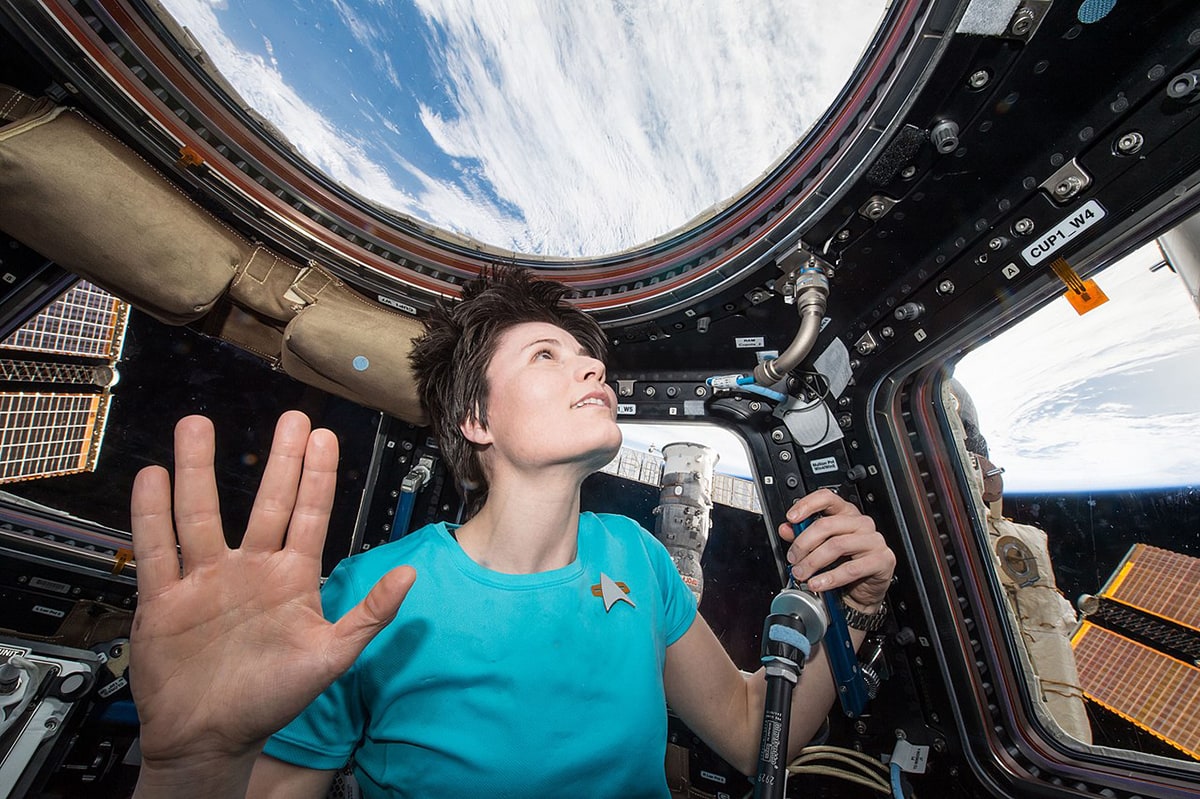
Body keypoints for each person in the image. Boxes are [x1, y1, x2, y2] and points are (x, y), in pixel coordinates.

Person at [128, 267, 895, 798]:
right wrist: (189, 769)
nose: (593, 370)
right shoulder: (368, 597)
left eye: (591, 359)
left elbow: (753, 730)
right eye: (546, 355)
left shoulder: (638, 557)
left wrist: (857, 609)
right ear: (477, 419)